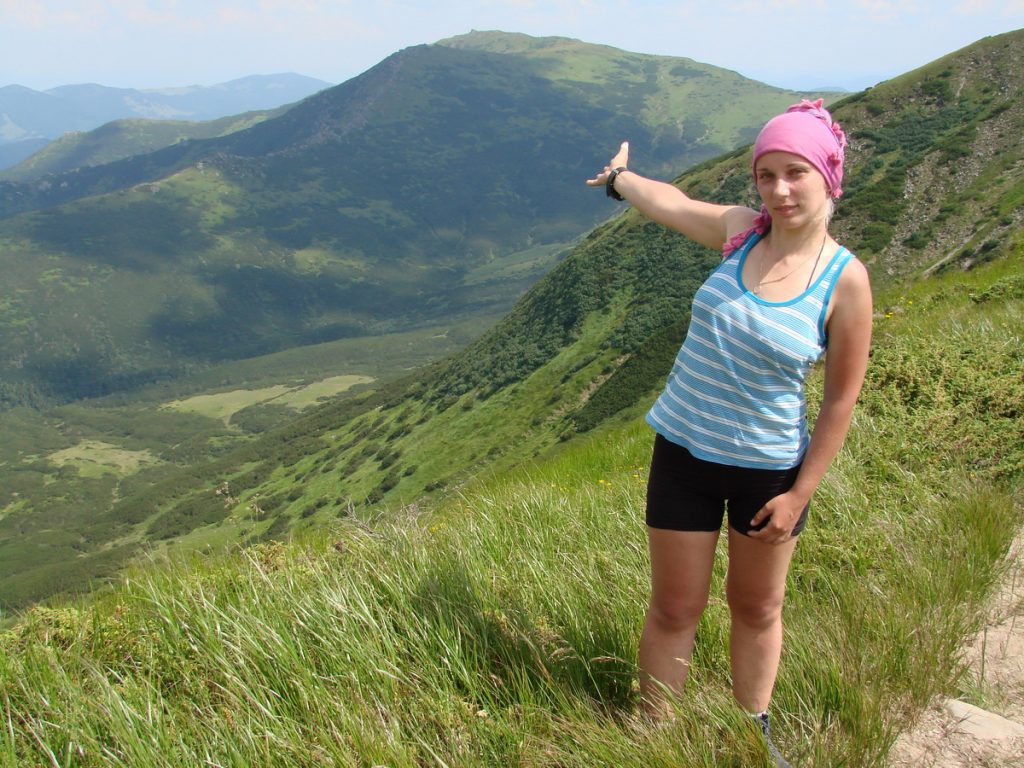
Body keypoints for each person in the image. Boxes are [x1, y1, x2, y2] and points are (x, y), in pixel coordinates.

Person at [587, 100, 872, 765]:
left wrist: (800, 495)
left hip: (767, 474)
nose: (778, 189)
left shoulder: (844, 281)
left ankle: (751, 736)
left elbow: (839, 402)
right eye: (767, 174)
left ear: (828, 176)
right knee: (674, 610)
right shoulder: (745, 231)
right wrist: (621, 182)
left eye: (795, 173)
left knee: (757, 609)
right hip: (683, 453)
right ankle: (653, 738)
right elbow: (673, 203)